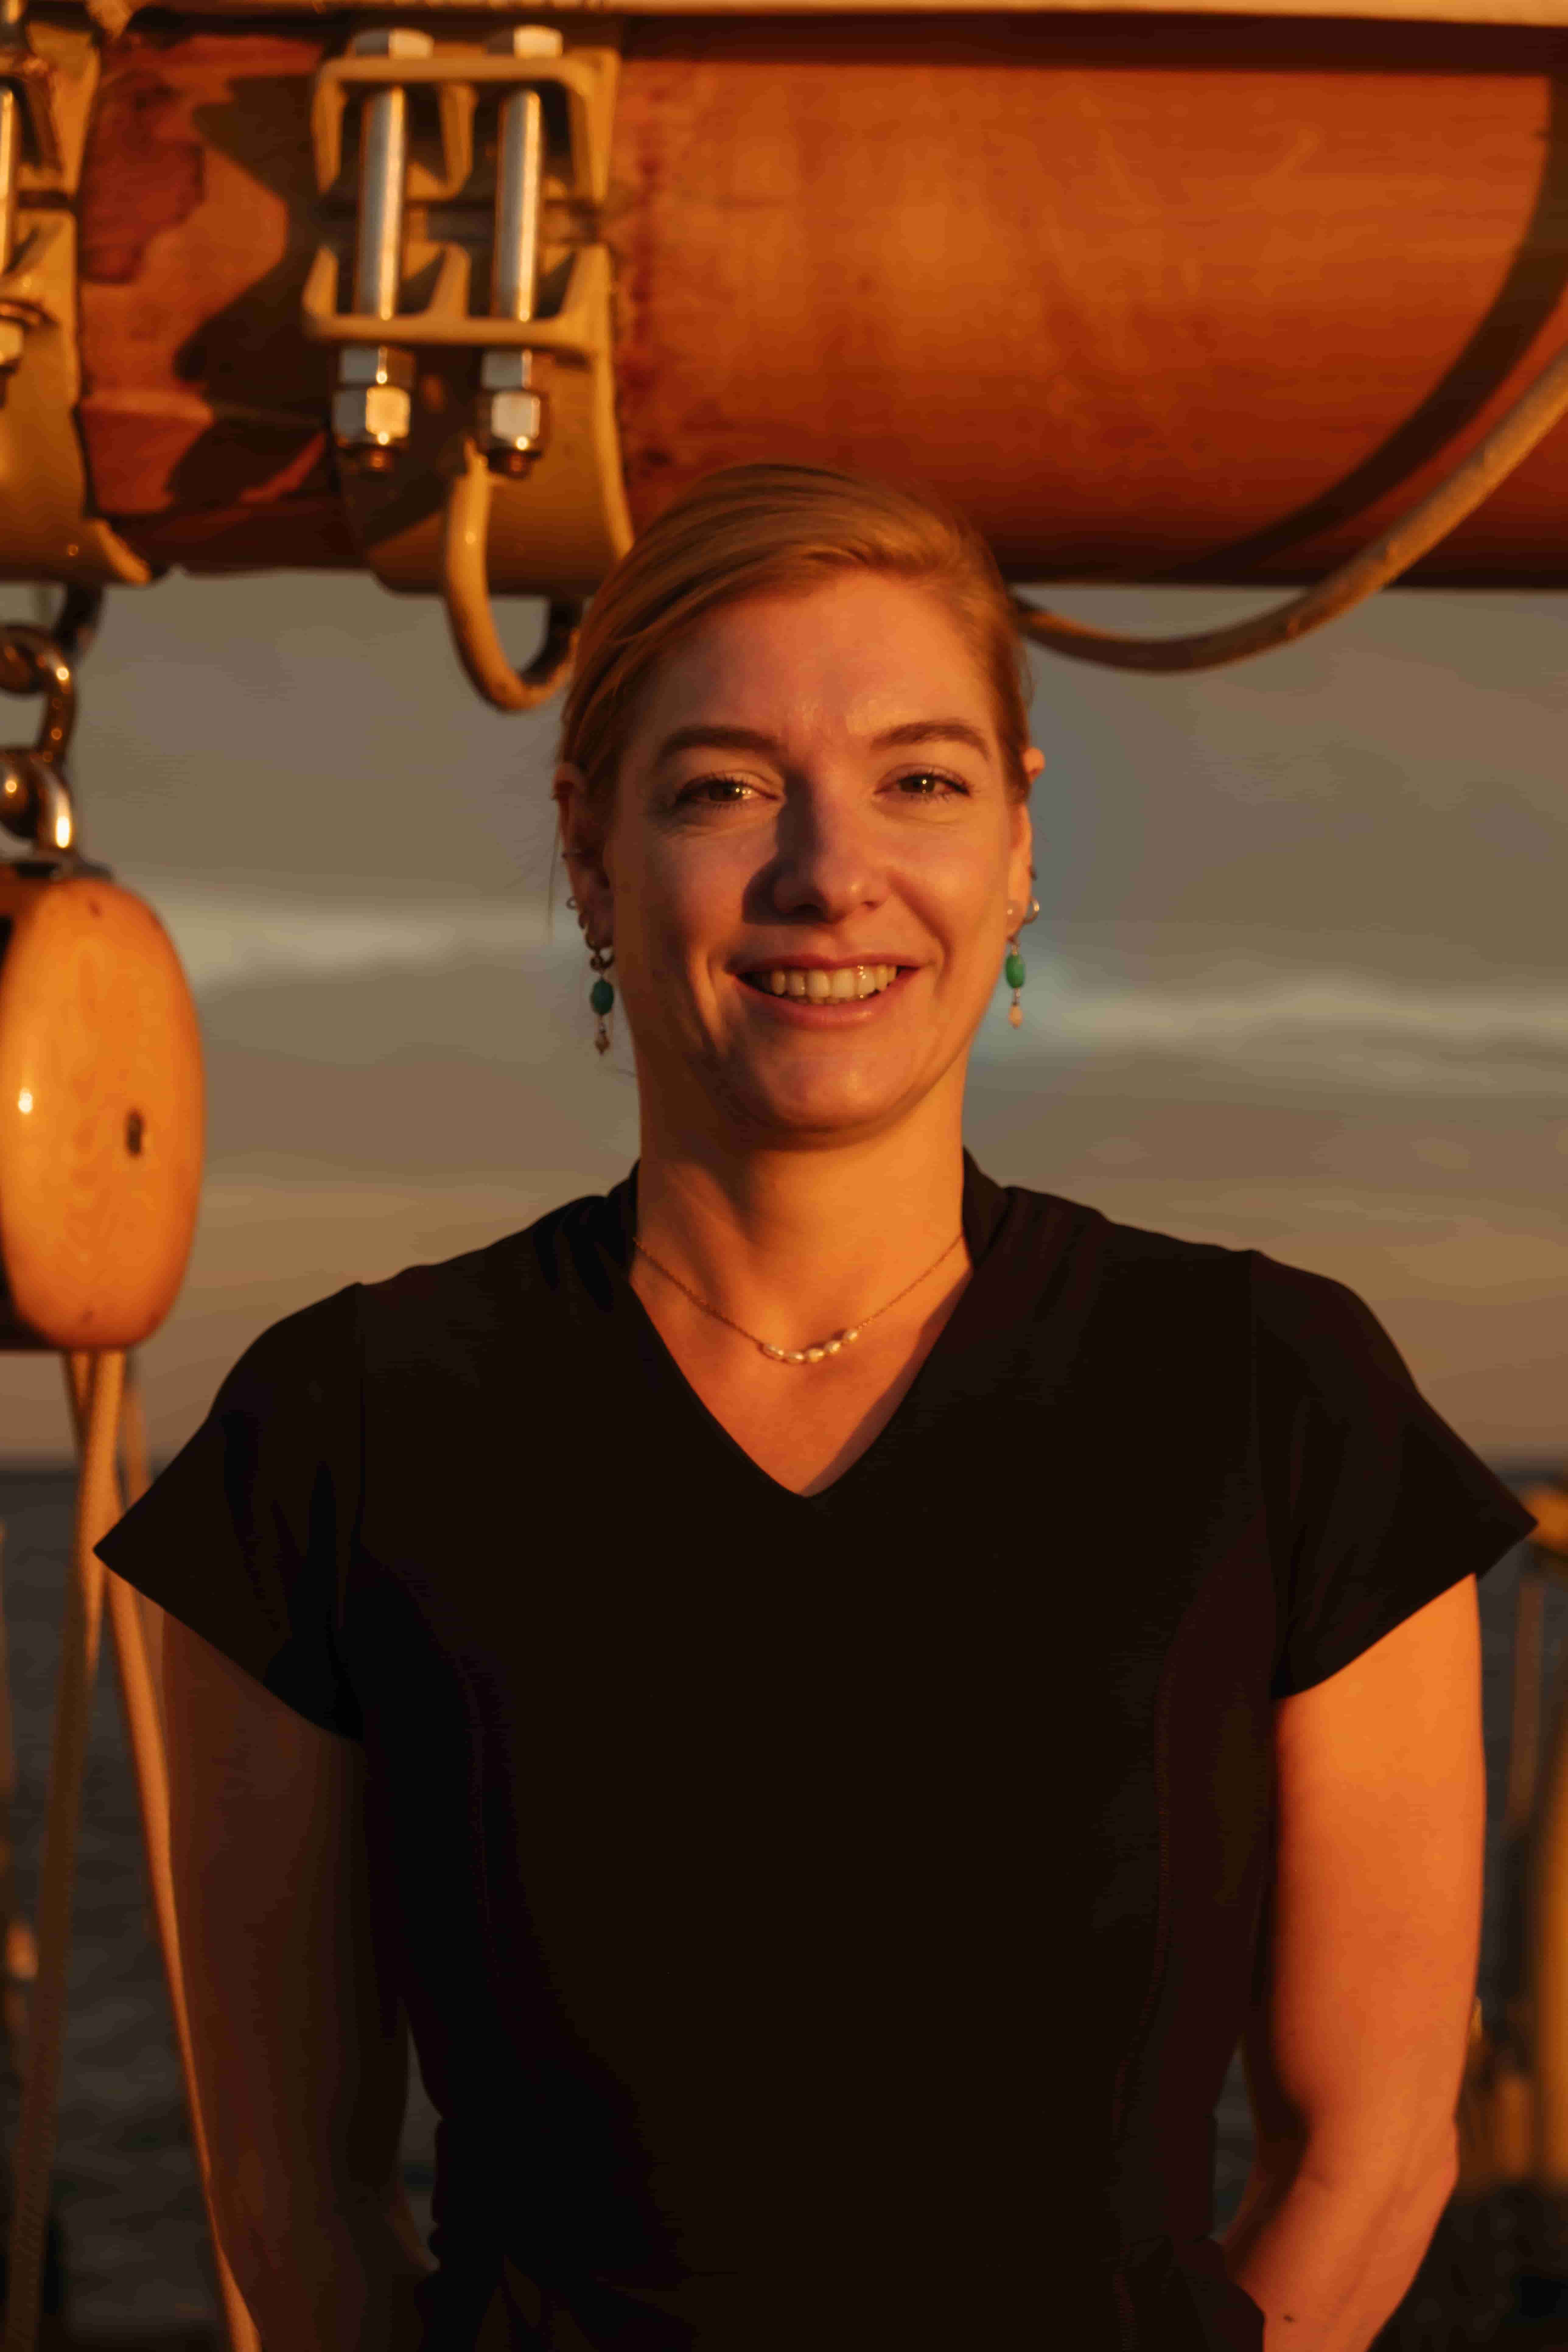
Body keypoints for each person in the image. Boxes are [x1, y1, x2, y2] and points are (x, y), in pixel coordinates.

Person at [93, 462, 1536, 2352]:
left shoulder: (1284, 1401)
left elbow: (1372, 2157)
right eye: (723, 789)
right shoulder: (338, 1432)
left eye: (920, 782)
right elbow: (293, 2212)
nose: (829, 871)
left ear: (1019, 846)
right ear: (590, 847)